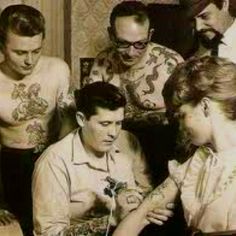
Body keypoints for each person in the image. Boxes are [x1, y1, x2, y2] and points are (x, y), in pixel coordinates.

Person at [112, 56, 236, 236]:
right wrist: (145, 215)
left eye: (182, 115)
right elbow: (139, 217)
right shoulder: (198, 162)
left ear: (205, 106)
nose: (181, 126)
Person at [32, 82, 173, 236]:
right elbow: (49, 234)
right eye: (105, 124)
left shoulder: (128, 141)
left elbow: (146, 191)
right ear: (81, 119)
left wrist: (149, 205)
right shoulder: (54, 162)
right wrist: (112, 220)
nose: (113, 133)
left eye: (118, 123)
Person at [0, 4, 75, 235]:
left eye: (36, 50)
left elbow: (70, 122)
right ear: (2, 45)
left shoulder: (58, 70)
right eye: (20, 52)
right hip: (10, 167)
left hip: (53, 159)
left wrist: (62, 165)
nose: (29, 60)